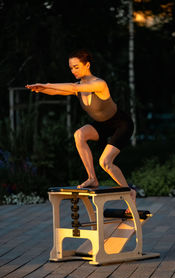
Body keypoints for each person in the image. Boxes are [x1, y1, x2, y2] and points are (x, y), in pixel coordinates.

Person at [25, 49, 136, 206]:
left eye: (76, 67)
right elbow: (57, 91)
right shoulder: (77, 86)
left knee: (105, 162)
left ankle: (129, 194)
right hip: (102, 125)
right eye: (71, 68)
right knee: (79, 134)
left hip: (121, 124)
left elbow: (72, 88)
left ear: (87, 65)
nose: (73, 71)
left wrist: (46, 84)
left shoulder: (99, 84)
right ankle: (92, 177)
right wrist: (41, 88)